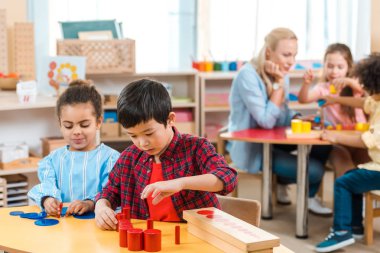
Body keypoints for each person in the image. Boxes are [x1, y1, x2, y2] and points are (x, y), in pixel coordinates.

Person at [94, 79, 237, 230]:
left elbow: (228, 178)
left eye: (149, 133)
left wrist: (181, 183)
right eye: (133, 136)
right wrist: (101, 206)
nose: (142, 143)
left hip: (197, 236)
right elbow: (110, 191)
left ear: (170, 120)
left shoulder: (196, 147)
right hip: (150, 240)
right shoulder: (129, 157)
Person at [227, 27, 332, 215]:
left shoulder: (283, 74)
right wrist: (278, 84)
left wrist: (298, 118)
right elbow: (266, 121)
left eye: (294, 55)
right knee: (314, 171)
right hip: (253, 148)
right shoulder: (248, 76)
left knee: (325, 143)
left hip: (274, 141)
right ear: (269, 52)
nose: (291, 62)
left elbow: (281, 116)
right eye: (286, 55)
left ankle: (303, 193)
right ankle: (286, 181)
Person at [315, 53, 380, 252]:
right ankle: (355, 226)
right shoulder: (377, 100)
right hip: (376, 167)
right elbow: (363, 103)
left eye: (369, 90)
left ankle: (341, 232)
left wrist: (335, 137)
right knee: (353, 176)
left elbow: (365, 141)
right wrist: (335, 99)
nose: (367, 94)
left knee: (343, 183)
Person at [28, 80, 120, 217]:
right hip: (62, 230)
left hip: (97, 229)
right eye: (68, 126)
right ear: (60, 124)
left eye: (84, 125)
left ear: (98, 122)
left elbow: (113, 193)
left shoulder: (111, 159)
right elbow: (47, 185)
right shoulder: (52, 160)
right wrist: (48, 199)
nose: (76, 131)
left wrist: (90, 203)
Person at [298, 43, 369, 177]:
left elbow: (368, 95)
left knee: (368, 168)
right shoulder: (323, 88)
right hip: (337, 141)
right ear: (324, 66)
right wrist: (306, 84)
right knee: (345, 168)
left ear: (348, 68)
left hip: (359, 139)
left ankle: (364, 196)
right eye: (330, 66)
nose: (334, 71)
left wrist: (349, 82)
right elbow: (303, 99)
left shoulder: (354, 86)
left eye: (340, 67)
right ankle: (345, 195)